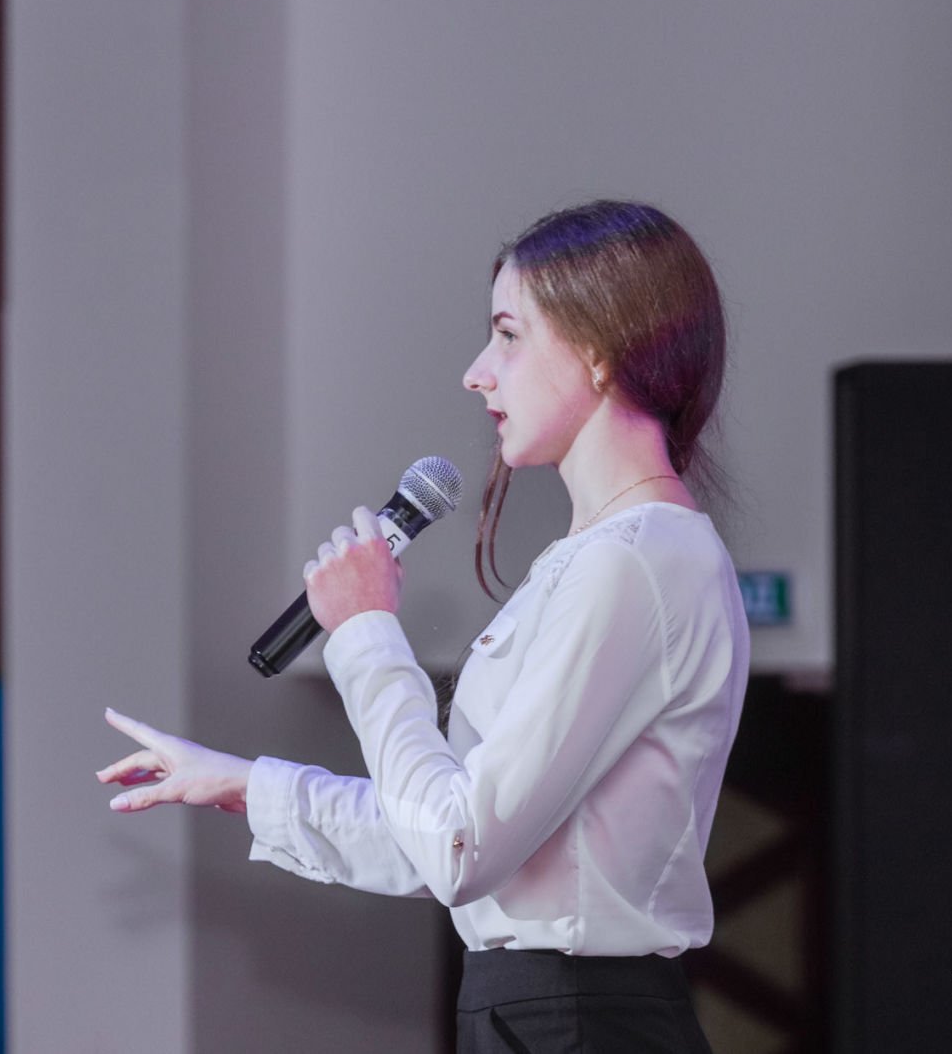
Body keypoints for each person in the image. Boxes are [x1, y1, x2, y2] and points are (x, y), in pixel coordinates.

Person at [97, 200, 749, 1053]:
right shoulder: (606, 557)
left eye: (508, 335)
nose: (478, 373)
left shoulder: (632, 561)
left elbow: (455, 846)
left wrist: (367, 632)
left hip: (580, 1017)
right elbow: (436, 834)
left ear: (600, 348)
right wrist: (241, 783)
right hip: (544, 1011)